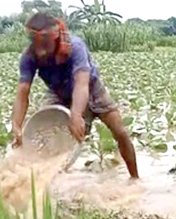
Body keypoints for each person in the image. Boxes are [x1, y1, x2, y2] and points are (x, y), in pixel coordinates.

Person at [11, 12, 139, 179]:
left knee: (120, 132)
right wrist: (16, 125)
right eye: (36, 44)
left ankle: (135, 179)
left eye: (45, 43)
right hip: (58, 94)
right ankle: (48, 185)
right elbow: (23, 92)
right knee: (48, 137)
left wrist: (76, 114)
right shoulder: (29, 57)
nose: (41, 51)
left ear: (55, 35)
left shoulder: (75, 46)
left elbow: (82, 83)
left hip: (92, 89)